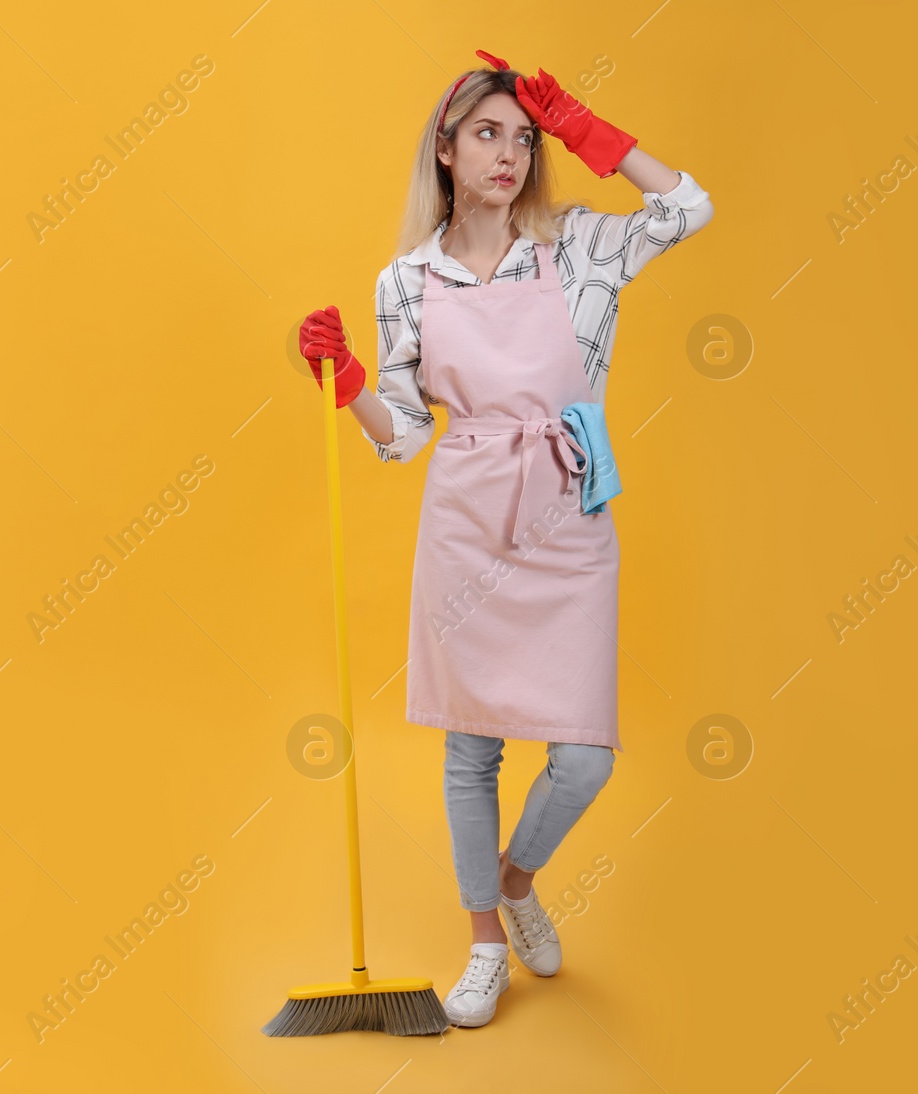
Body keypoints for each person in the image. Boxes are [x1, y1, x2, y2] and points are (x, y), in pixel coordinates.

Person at [298, 49, 714, 1028]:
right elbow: (402, 438)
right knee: (469, 749)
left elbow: (686, 207)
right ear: (444, 151)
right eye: (487, 134)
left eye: (523, 138)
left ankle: (516, 879)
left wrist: (587, 129)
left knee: (584, 758)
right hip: (467, 515)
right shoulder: (406, 280)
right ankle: (485, 936)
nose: (510, 154)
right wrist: (353, 382)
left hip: (567, 508)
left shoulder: (573, 246)